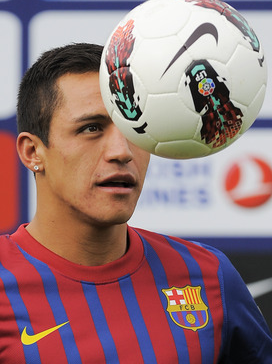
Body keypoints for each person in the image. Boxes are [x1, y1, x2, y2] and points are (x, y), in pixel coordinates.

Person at [0, 43, 271, 364]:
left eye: (135, 129)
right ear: (33, 152)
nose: (122, 151)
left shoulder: (210, 275)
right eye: (91, 128)